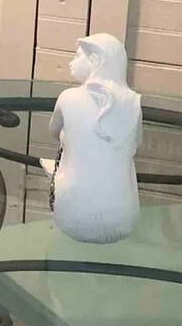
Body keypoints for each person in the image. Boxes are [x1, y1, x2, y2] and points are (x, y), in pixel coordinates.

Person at [40, 33, 142, 243]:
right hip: (125, 220)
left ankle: (63, 174)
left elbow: (53, 131)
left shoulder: (68, 97)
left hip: (69, 219)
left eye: (78, 56)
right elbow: (136, 146)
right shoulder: (133, 103)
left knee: (64, 136)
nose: (71, 62)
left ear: (96, 60)